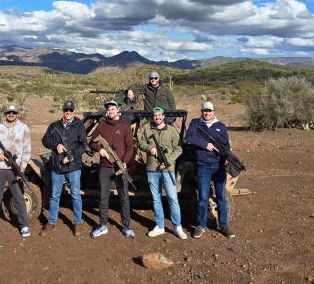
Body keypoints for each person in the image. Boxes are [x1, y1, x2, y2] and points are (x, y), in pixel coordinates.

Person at [184, 101, 235, 238]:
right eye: (204, 111)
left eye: (209, 111)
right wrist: (205, 144)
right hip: (203, 166)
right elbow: (189, 137)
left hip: (218, 166)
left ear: (214, 112)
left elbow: (226, 145)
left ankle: (223, 225)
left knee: (221, 197)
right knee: (202, 197)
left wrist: (227, 158)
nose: (207, 113)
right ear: (202, 111)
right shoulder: (196, 123)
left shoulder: (221, 126)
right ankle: (201, 225)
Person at [0, 104, 31, 241]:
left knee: (19, 198)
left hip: (14, 170)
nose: (11, 115)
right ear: (5, 114)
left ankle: (24, 225)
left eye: (13, 112)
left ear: (17, 114)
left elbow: (27, 148)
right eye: (9, 112)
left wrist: (24, 164)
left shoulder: (24, 128)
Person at [138, 107, 187, 239]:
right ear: (153, 117)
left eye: (159, 115)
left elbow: (178, 148)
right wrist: (150, 148)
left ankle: (177, 227)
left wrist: (168, 161)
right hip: (152, 169)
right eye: (155, 115)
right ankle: (160, 226)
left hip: (168, 170)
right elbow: (141, 143)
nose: (157, 118)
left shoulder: (172, 130)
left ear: (163, 116)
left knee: (172, 198)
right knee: (156, 198)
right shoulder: (148, 129)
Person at [40, 100, 87, 236]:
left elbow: (83, 145)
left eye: (70, 110)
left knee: (75, 195)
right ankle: (51, 222)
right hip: (57, 167)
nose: (68, 112)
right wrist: (56, 145)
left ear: (74, 111)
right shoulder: (54, 125)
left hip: (73, 167)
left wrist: (71, 155)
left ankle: (77, 223)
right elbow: (45, 140)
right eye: (66, 110)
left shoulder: (79, 126)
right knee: (54, 196)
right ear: (63, 111)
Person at [89, 100, 135, 238]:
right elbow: (92, 142)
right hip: (105, 167)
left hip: (120, 167)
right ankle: (103, 225)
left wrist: (125, 163)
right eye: (108, 109)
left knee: (124, 197)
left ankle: (126, 226)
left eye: (113, 109)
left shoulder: (126, 126)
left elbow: (130, 147)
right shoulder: (102, 126)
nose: (110, 111)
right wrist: (100, 149)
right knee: (103, 197)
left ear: (118, 109)